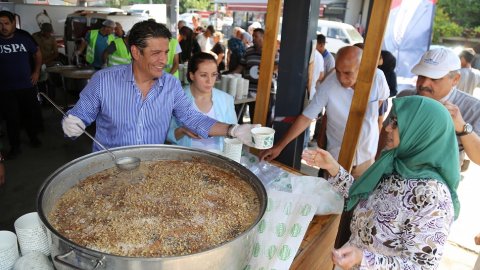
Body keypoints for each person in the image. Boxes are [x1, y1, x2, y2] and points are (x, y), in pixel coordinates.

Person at [302, 96, 460, 269]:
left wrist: (364, 259)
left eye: (396, 123)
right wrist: (332, 167)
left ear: (422, 132)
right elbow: (363, 197)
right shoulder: (397, 164)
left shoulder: (433, 198)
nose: (387, 128)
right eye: (391, 120)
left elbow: (421, 267)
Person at [62, 20, 256, 152]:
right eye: (156, 53)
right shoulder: (103, 81)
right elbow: (79, 116)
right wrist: (71, 123)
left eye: (166, 52)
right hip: (109, 168)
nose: (163, 60)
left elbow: (192, 118)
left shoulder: (170, 85)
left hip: (152, 170)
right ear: (136, 52)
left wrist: (233, 130)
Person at [260, 46, 389, 178]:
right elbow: (306, 117)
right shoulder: (329, 84)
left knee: (363, 198)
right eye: (338, 71)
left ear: (361, 68)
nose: (341, 78)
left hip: (366, 157)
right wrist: (280, 146)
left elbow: (380, 107)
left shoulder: (378, 78)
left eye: (347, 73)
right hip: (337, 160)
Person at [381, 48, 480, 172]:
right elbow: (384, 133)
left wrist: (462, 127)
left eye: (434, 79)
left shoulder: (472, 108)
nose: (424, 84)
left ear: (455, 79)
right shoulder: (405, 98)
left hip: (436, 185)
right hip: (392, 174)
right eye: (421, 76)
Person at [167, 53, 237, 151]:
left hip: (218, 158)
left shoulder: (226, 100)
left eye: (214, 75)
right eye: (203, 75)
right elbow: (167, 135)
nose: (210, 81)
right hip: (185, 159)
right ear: (192, 75)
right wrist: (182, 130)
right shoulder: (177, 98)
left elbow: (234, 136)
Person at [0, 10, 43, 159]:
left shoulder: (24, 37)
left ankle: (33, 138)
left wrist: (36, 72)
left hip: (26, 85)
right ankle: (15, 146)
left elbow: (37, 53)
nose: (3, 27)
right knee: (11, 118)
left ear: (13, 24)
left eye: (6, 23)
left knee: (29, 114)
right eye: (0, 24)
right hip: (5, 89)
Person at [234, 28, 279, 126]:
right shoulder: (248, 51)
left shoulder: (272, 52)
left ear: (263, 38)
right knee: (254, 119)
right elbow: (241, 66)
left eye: (255, 36)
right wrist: (231, 75)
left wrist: (270, 71)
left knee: (266, 120)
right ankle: (253, 140)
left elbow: (277, 67)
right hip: (250, 91)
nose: (253, 38)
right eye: (252, 36)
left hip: (267, 92)